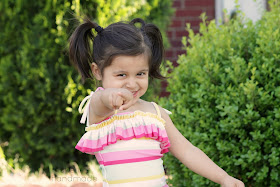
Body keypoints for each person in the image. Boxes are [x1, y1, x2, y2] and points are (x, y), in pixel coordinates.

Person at [69, 17, 244, 187]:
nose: (132, 84)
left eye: (140, 74)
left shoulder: (155, 113)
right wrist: (113, 96)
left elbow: (186, 151)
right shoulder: (100, 109)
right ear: (98, 71)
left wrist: (223, 177)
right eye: (121, 75)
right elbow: (102, 99)